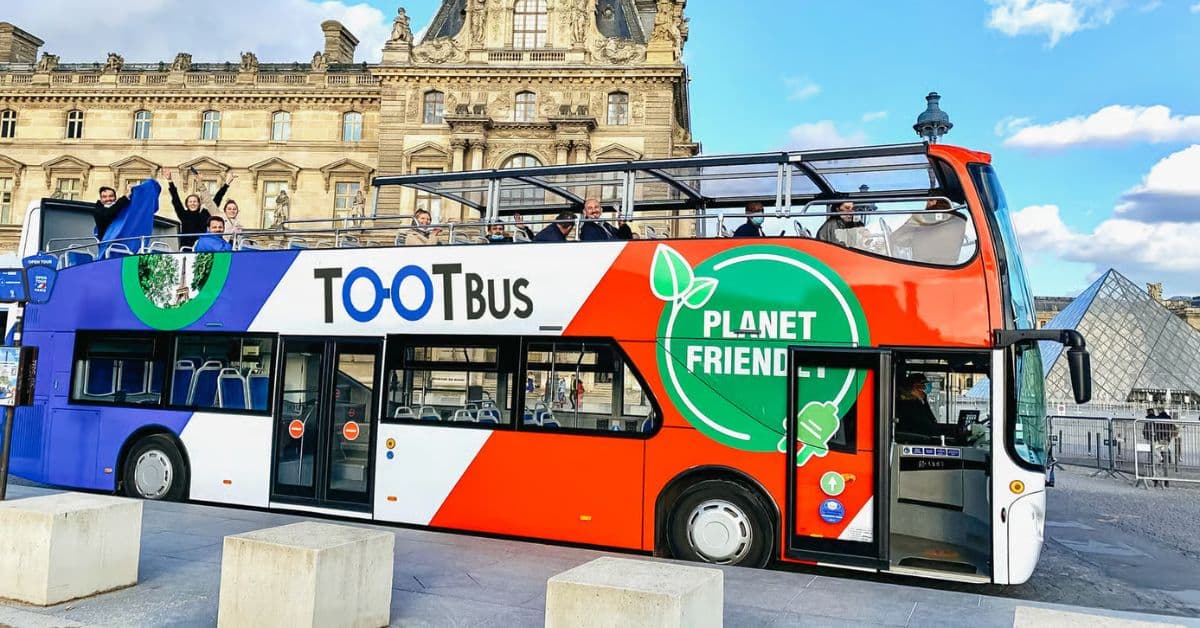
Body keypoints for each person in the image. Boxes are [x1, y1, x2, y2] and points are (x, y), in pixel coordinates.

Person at [166, 169, 232, 248]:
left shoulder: (204, 213)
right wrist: (170, 180)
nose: (192, 203)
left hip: (203, 247)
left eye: (195, 201)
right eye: (190, 201)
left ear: (199, 203)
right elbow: (176, 199)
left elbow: (216, 199)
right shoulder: (183, 214)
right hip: (186, 248)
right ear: (187, 204)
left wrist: (226, 184)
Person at [890, 199, 968, 264]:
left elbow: (897, 239)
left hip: (924, 269)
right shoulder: (959, 221)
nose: (926, 204)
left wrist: (912, 221)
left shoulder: (923, 219)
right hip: (951, 269)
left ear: (934, 201)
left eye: (928, 200)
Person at [895, 373, 942, 441]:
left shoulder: (920, 401)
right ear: (912, 388)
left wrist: (924, 400)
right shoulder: (907, 405)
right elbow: (925, 425)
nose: (924, 388)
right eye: (921, 385)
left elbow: (932, 421)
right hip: (916, 439)